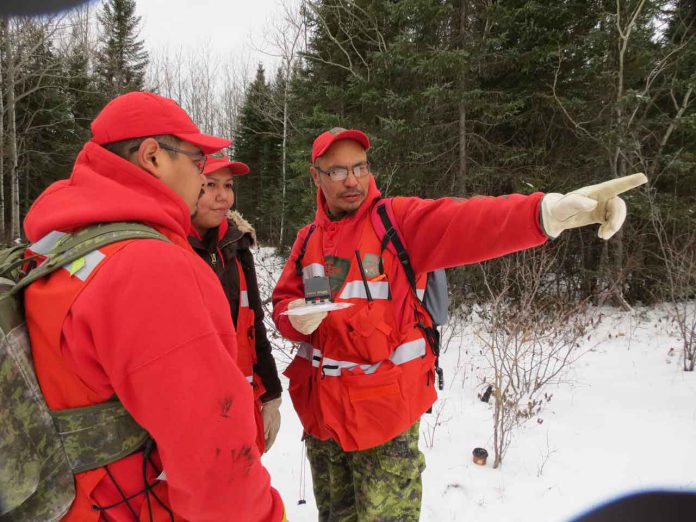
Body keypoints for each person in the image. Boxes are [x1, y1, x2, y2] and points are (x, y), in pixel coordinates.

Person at [271, 127, 646, 521]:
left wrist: (545, 213)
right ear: (316, 176)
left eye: (360, 167)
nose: (352, 180)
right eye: (337, 171)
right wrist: (297, 319)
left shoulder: (396, 222)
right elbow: (284, 305)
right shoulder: (307, 239)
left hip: (384, 419)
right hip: (322, 420)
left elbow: (469, 220)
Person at [22, 92, 285, 521]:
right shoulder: (149, 267)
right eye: (198, 163)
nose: (204, 181)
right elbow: (218, 471)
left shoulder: (57, 246)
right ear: (152, 157)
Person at [189, 153, 282, 454]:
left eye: (228, 186)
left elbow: (254, 324)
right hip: (192, 416)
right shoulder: (167, 249)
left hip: (242, 405)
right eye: (209, 185)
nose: (223, 197)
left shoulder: (238, 248)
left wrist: (272, 396)